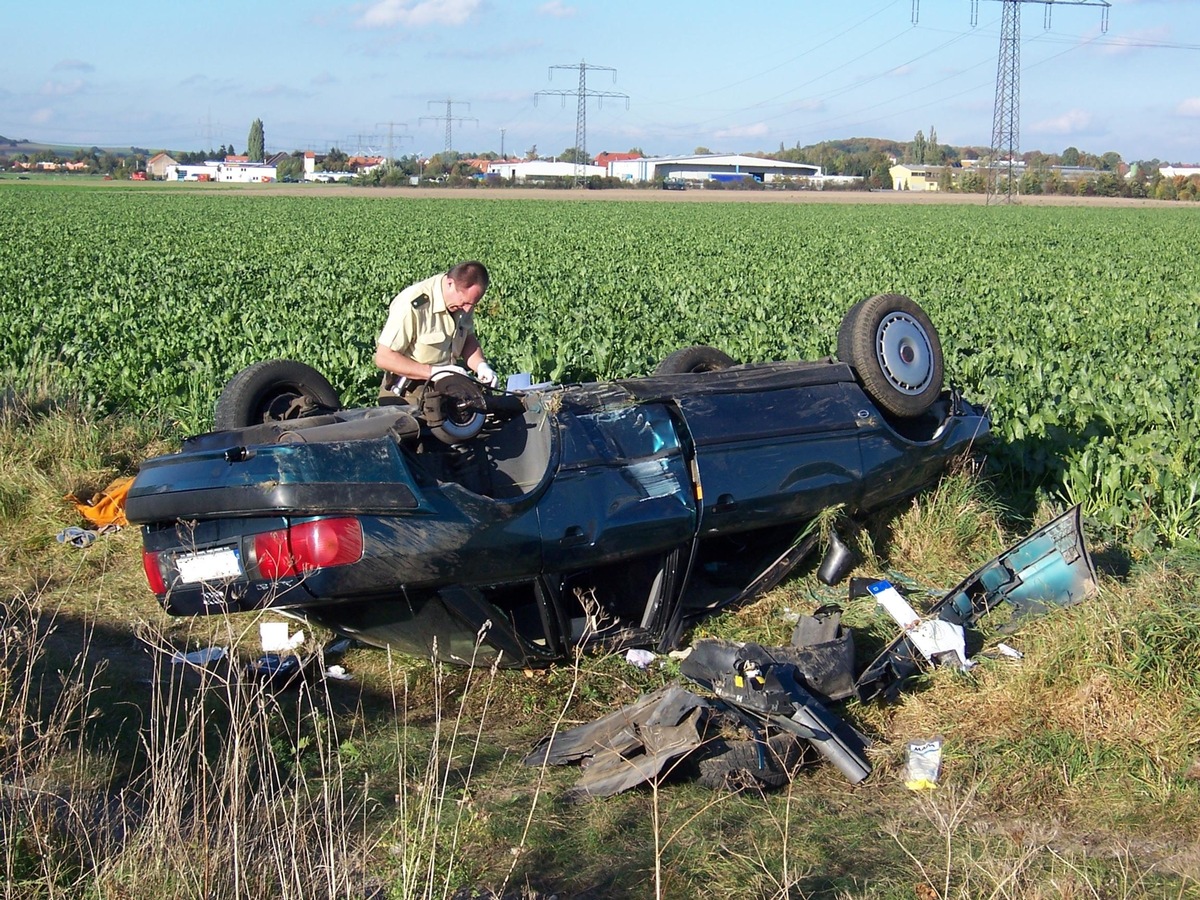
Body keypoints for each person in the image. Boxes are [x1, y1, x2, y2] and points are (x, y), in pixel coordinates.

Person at [374, 260, 499, 400]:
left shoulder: (464, 302)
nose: (468, 309)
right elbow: (384, 357)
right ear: (450, 284)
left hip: (446, 388)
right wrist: (434, 372)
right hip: (408, 393)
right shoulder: (413, 304)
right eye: (464, 302)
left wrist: (481, 366)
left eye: (473, 304)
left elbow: (467, 339)